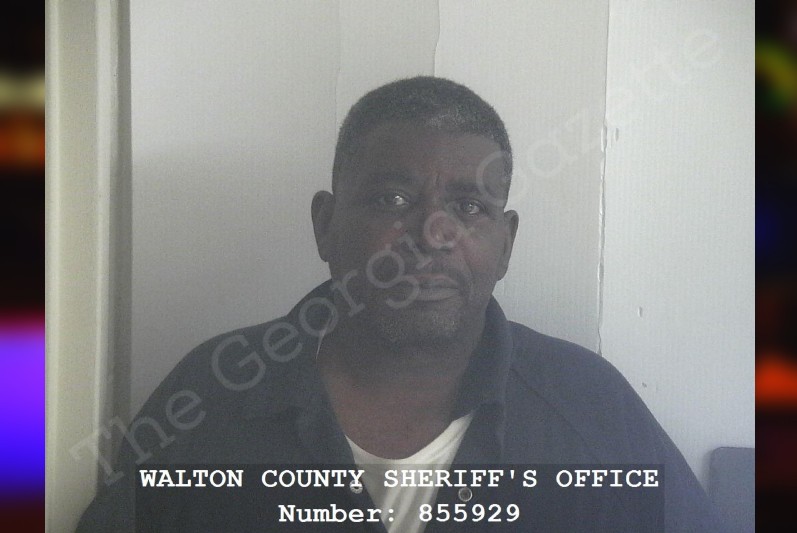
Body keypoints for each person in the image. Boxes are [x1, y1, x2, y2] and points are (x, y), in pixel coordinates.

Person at [76, 76, 723, 532]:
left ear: (506, 244)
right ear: (325, 225)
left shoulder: (590, 407)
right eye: (392, 199)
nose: (432, 234)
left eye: (468, 207)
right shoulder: (211, 393)